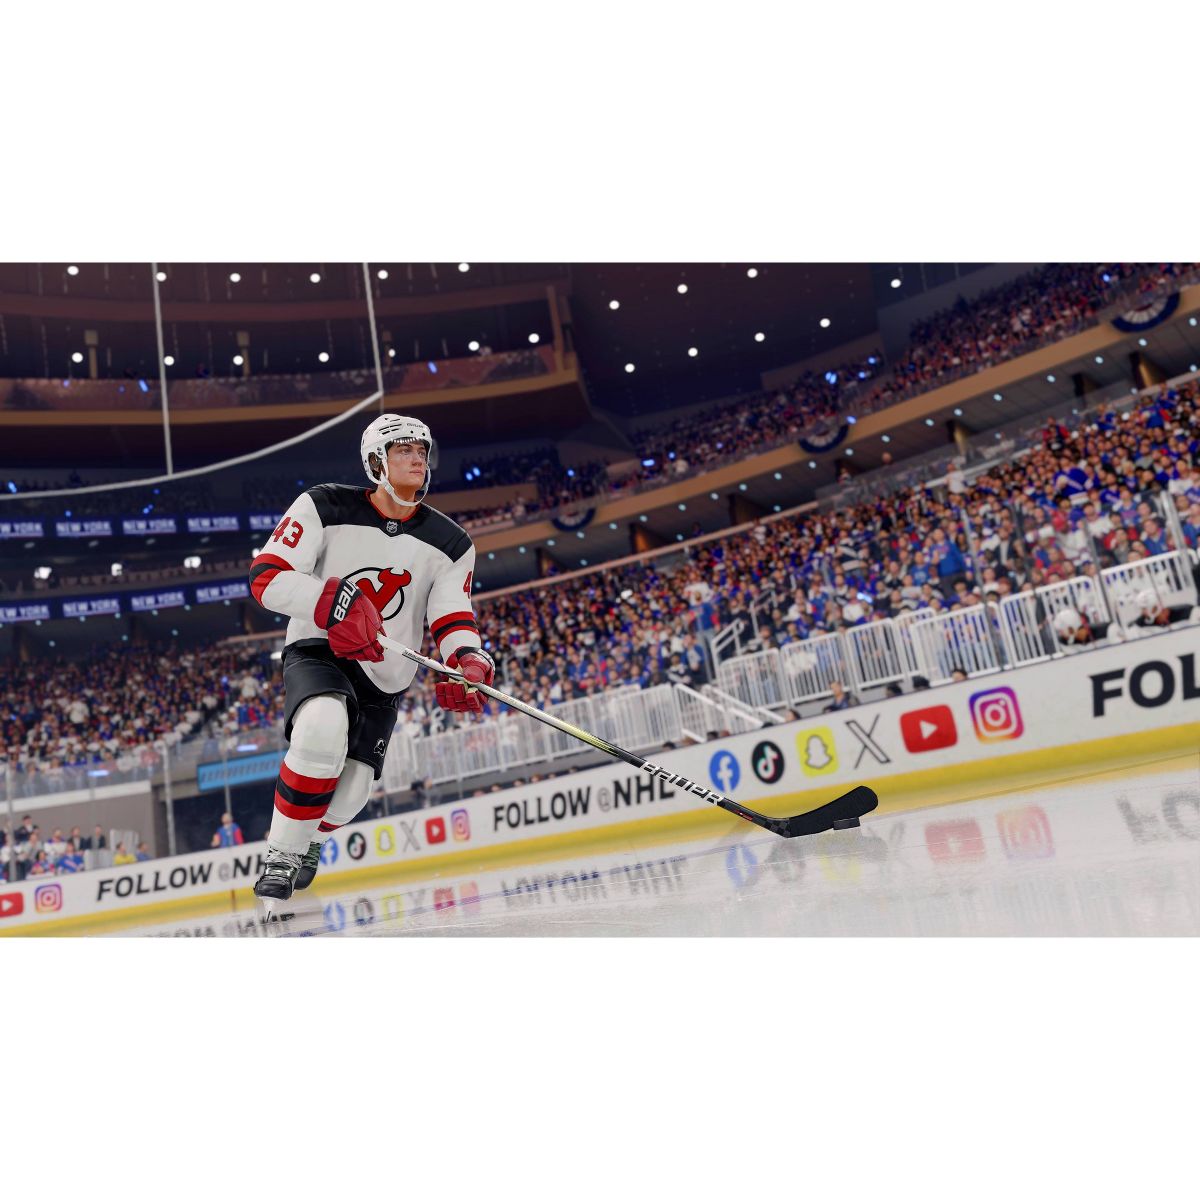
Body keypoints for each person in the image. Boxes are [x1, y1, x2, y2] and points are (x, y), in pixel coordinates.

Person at [248, 413, 493, 905]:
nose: (417, 458)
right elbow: (267, 577)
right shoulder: (322, 505)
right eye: (404, 449)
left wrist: (468, 659)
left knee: (355, 788)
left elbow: (451, 616)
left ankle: (312, 840)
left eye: (422, 450)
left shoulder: (452, 543)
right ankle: (281, 856)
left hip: (386, 672)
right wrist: (334, 603)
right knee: (321, 728)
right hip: (319, 648)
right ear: (376, 461)